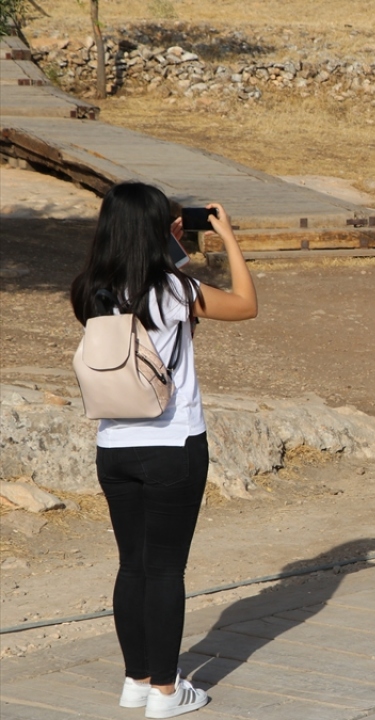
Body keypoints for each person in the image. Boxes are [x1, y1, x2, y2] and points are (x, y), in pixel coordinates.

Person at [71, 182, 257, 718]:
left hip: (114, 446)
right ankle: (167, 692)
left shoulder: (88, 288)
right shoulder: (175, 289)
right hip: (172, 443)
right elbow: (246, 305)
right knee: (165, 570)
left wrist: (162, 241)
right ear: (163, 229)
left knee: (133, 566)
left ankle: (136, 680)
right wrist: (224, 238)